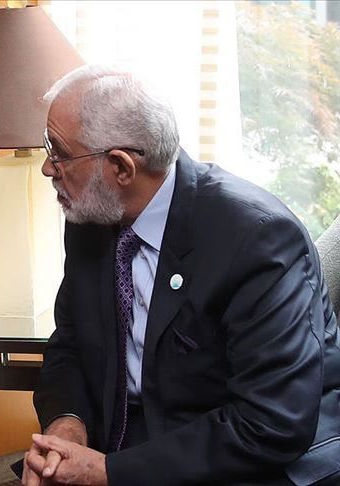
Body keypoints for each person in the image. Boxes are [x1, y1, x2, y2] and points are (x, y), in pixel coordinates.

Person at [20, 65, 340, 485]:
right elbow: (71, 344)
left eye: (59, 152)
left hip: (249, 461)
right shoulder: (91, 216)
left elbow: (271, 421)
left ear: (121, 168)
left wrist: (107, 472)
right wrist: (67, 427)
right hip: (138, 444)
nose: (49, 168)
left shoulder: (258, 239)